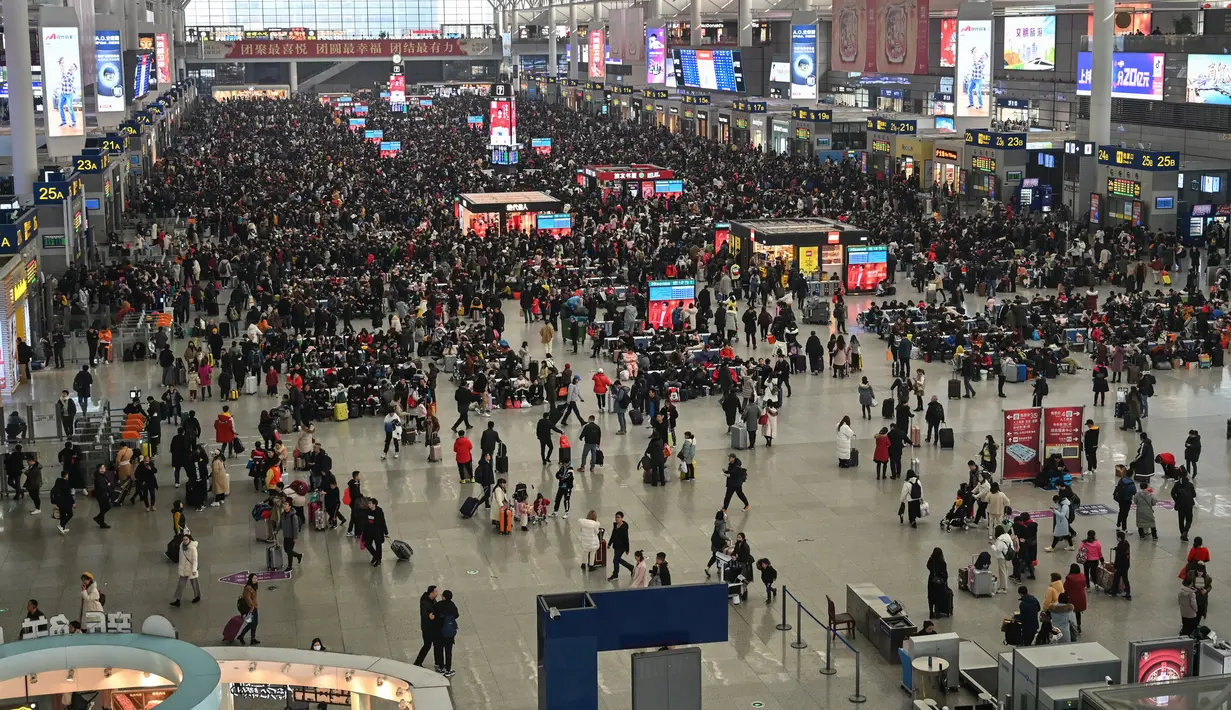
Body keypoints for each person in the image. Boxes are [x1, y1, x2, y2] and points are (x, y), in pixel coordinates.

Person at [169, 530, 201, 606]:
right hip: (184, 569)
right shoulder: (181, 546)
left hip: (191, 569)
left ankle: (197, 596)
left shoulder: (193, 548)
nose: (185, 541)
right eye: (184, 539)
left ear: (189, 539)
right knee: (180, 584)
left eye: (186, 539)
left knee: (194, 583)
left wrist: (194, 570)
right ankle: (178, 600)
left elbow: (195, 560)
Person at [434, 590, 460, 677]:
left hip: (439, 632)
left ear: (444, 597)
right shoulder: (452, 605)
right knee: (448, 652)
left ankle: (441, 667)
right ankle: (448, 670)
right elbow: (456, 615)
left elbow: (435, 614)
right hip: (449, 633)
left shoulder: (439, 605)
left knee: (440, 649)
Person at [413, 586, 441, 668]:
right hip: (428, 628)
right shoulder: (425, 603)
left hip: (433, 627)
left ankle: (438, 661)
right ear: (431, 593)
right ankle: (418, 662)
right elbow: (425, 615)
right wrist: (431, 615)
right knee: (427, 645)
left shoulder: (432, 600)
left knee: (435, 644)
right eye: (436, 591)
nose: (437, 593)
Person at [607, 511, 634, 581]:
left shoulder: (624, 528)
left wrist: (627, 549)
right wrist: (609, 543)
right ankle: (631, 567)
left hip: (621, 547)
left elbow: (626, 539)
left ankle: (615, 575)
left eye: (618, 517)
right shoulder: (615, 525)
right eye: (616, 517)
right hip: (616, 546)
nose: (617, 519)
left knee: (615, 560)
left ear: (622, 518)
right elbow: (613, 535)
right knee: (617, 559)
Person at [362, 498, 389, 566]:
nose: (369, 505)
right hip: (369, 531)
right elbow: (365, 521)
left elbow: (382, 521)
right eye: (368, 503)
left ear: (374, 504)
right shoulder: (367, 511)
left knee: (378, 546)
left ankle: (378, 559)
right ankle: (375, 555)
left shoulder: (379, 511)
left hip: (377, 531)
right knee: (367, 544)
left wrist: (385, 531)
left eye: (370, 503)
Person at [704, 510, 731, 576]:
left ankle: (708, 567)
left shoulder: (717, 522)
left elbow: (720, 529)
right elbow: (721, 533)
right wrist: (728, 538)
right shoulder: (723, 523)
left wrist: (727, 529)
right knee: (721, 556)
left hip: (714, 540)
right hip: (720, 542)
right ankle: (719, 569)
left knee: (714, 555)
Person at [1107, 530, 1132, 600]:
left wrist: (1115, 566)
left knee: (1117, 578)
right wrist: (1116, 548)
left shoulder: (1121, 546)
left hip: (1121, 566)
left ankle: (1114, 591)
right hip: (1126, 565)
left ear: (1119, 537)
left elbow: (1119, 557)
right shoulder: (1126, 543)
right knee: (1124, 578)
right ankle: (1126, 592)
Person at [926, 547, 950, 618]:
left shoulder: (931, 560)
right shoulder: (942, 562)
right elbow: (945, 573)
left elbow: (928, 566)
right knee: (938, 596)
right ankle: (937, 612)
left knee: (930, 596)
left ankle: (931, 612)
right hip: (939, 582)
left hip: (931, 580)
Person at [1064, 563, 1088, 634]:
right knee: (1078, 612)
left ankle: (1070, 626)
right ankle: (1079, 625)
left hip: (1071, 597)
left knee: (1069, 612)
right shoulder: (1082, 576)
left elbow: (1065, 587)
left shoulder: (1069, 578)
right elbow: (1084, 585)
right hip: (1081, 597)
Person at [236, 574, 260, 645]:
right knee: (251, 624)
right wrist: (252, 607)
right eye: (254, 578)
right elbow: (248, 599)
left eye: (256, 578)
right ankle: (241, 636)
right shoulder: (248, 588)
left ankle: (253, 639)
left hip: (254, 608)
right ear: (250, 579)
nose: (255, 580)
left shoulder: (253, 586)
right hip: (250, 609)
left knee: (255, 624)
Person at [281, 499, 304, 571]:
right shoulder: (283, 514)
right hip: (285, 535)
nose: (284, 506)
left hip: (291, 536)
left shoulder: (293, 516)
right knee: (286, 550)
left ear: (290, 506)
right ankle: (298, 555)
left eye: (286, 504)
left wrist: (295, 537)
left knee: (289, 551)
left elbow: (295, 527)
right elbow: (280, 523)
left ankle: (289, 566)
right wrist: (276, 530)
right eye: (284, 504)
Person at [1113, 466, 1137, 532]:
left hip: (1120, 498)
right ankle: (1124, 528)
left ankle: (1118, 525)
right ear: (1132, 474)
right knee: (1125, 514)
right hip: (1127, 500)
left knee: (1121, 512)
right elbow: (1134, 492)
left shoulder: (1122, 480)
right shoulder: (1130, 483)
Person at [993, 525, 1015, 594]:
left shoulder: (1000, 539)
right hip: (1007, 556)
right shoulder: (1007, 536)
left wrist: (993, 546)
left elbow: (998, 549)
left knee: (1002, 572)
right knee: (1005, 571)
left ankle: (1003, 588)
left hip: (1001, 557)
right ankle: (1004, 586)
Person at [52, 469, 74, 533]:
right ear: (66, 475)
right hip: (65, 502)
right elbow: (69, 495)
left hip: (59, 501)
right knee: (70, 514)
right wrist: (73, 503)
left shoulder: (58, 481)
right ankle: (61, 526)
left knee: (63, 515)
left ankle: (63, 528)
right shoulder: (66, 484)